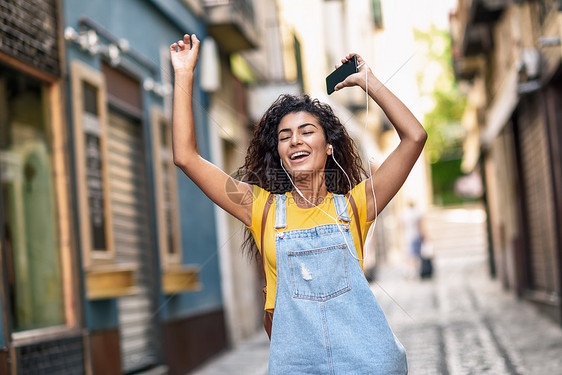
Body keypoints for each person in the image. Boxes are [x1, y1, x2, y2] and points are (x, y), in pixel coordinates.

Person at [170, 34, 426, 374]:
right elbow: (186, 157)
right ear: (279, 153)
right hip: (298, 365)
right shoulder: (259, 208)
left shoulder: (355, 205)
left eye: (307, 131)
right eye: (284, 136)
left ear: (328, 146)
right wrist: (184, 74)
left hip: (366, 362)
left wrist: (368, 81)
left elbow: (415, 137)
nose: (295, 141)